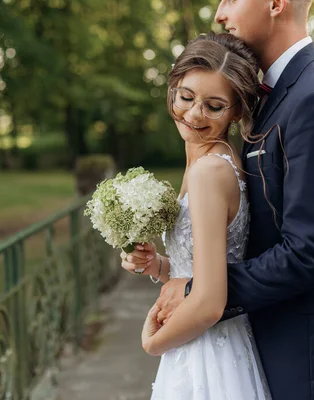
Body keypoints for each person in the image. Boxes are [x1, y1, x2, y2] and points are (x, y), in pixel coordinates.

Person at [124, 0, 314, 398]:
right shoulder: (276, 96)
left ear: (275, 3)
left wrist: (197, 291)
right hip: (269, 342)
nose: (220, 12)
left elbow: (308, 253)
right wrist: (167, 267)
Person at [121, 32, 272, 399]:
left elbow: (208, 302)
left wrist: (153, 344)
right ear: (173, 88)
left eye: (213, 106)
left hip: (207, 350)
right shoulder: (208, 161)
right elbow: (203, 266)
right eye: (186, 97)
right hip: (202, 342)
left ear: (236, 110)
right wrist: (157, 264)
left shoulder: (209, 173)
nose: (193, 114)